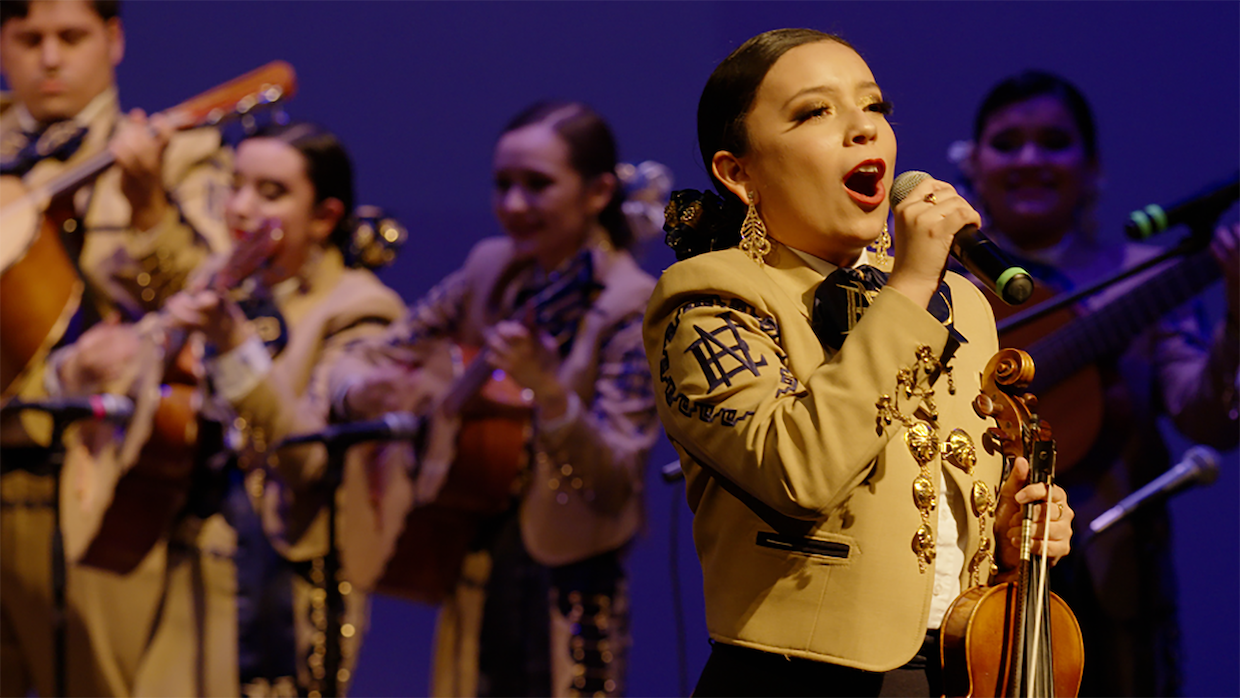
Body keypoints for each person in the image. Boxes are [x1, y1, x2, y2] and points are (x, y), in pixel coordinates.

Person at [643, 28, 1076, 696]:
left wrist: (1012, 532)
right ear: (738, 173)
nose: (862, 129)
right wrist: (908, 287)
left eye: (874, 107)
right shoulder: (707, 300)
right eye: (815, 112)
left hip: (958, 668)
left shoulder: (960, 300)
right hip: (799, 679)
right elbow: (799, 471)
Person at [336, 101, 659, 698]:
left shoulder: (630, 305)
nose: (513, 205)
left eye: (537, 186)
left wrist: (551, 391)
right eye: (502, 185)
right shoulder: (492, 269)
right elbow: (376, 353)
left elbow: (616, 476)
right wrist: (369, 391)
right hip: (472, 560)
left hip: (568, 584)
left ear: (597, 193)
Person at [956, 70, 1240, 698]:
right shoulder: (944, 290)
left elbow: (1207, 417)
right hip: (972, 582)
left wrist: (1238, 322)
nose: (1030, 159)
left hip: (1112, 582)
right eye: (1007, 143)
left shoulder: (1144, 276)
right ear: (973, 164)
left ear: (1091, 168)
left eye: (1054, 141)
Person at [0, 0, 229, 696]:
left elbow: (213, 298)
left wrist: (150, 205)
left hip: (93, 481)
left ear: (114, 39)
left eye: (71, 37)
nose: (49, 57)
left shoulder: (180, 151)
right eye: (28, 37)